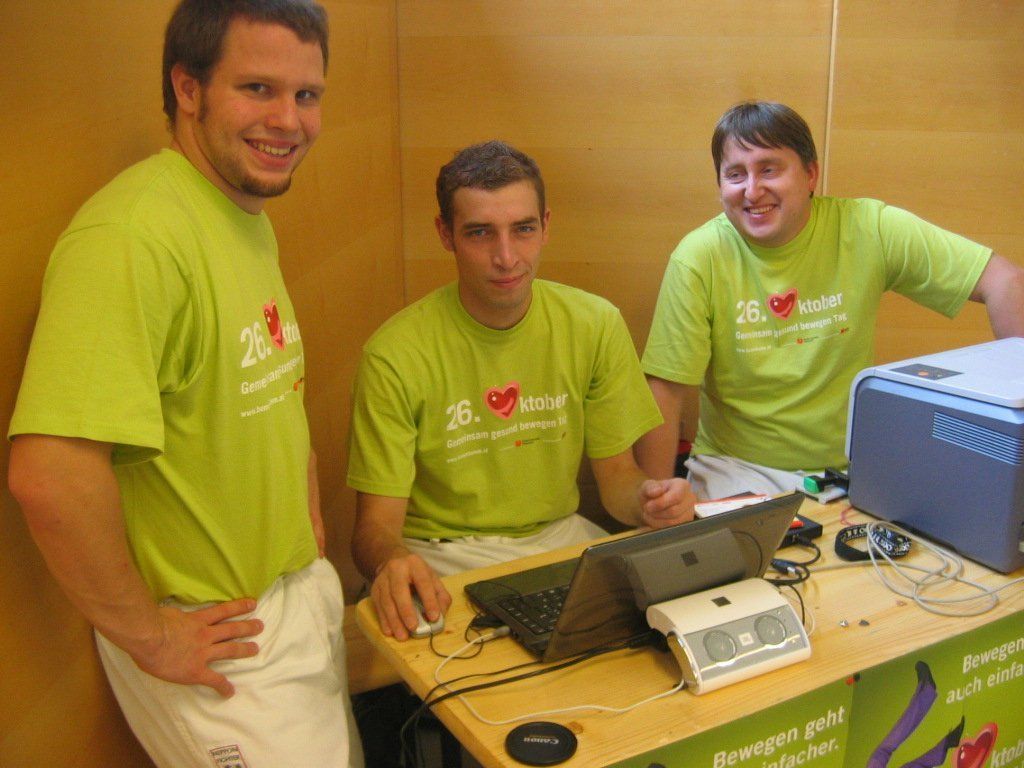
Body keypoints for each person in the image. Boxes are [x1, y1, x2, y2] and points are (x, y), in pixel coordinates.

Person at [7, 2, 363, 766]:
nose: (289, 120)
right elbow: (49, 474)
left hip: (291, 601)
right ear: (188, 88)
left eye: (306, 94)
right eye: (258, 89)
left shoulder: (238, 211)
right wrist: (151, 637)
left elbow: (255, 391)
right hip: (221, 645)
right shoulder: (131, 238)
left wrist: (303, 518)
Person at [347, 140, 697, 641]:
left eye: (523, 229)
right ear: (445, 234)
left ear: (546, 226)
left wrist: (649, 500)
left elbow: (619, 479)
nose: (507, 257)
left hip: (559, 540)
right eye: (480, 233)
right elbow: (374, 529)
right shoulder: (394, 354)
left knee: (664, 632)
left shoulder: (595, 324)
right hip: (442, 554)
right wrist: (391, 560)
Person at [636, 101, 1024, 501]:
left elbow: (1006, 282)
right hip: (735, 470)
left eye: (769, 169)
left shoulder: (869, 227)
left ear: (810, 174)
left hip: (854, 466)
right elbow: (665, 388)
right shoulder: (699, 256)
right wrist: (657, 505)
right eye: (735, 175)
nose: (752, 190)